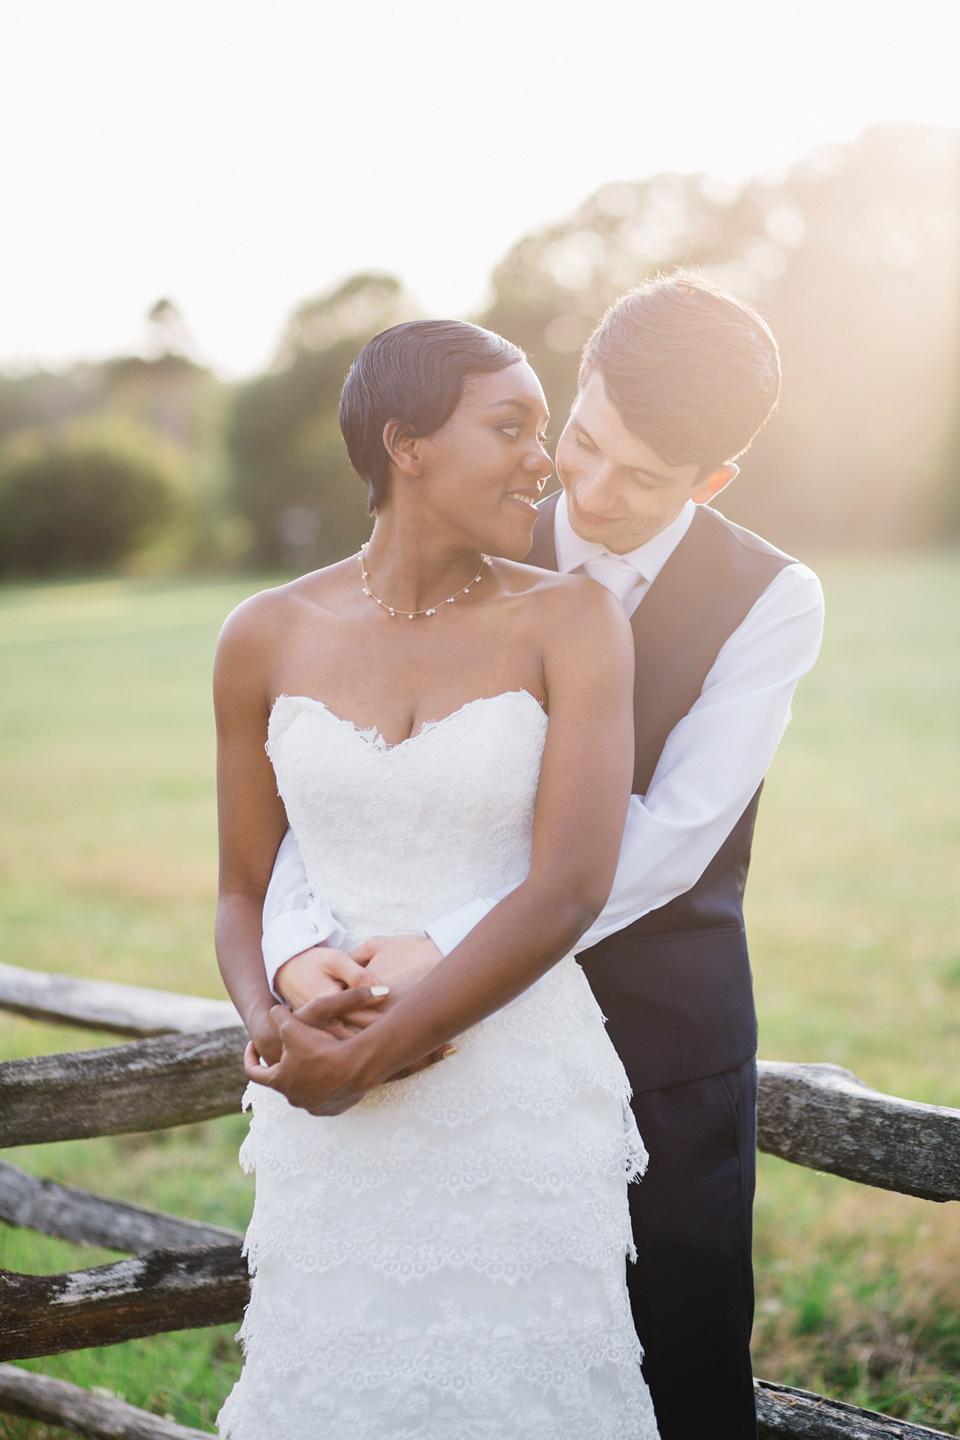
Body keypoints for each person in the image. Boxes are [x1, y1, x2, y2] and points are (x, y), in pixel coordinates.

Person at [259, 275, 825, 1440]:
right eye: (586, 442)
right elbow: (344, 774)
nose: (595, 492)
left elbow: (671, 836)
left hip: (655, 1021)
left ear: (711, 481)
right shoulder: (474, 531)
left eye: (648, 481)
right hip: (448, 1037)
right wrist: (305, 950)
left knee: (677, 1344)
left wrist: (452, 946)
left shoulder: (772, 599)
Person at [214, 318, 661, 1438]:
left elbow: (569, 886)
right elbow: (238, 888)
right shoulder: (262, 635)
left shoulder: (573, 620)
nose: (542, 459)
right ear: (404, 444)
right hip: (331, 1123)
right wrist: (282, 1026)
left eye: (541, 430)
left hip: (515, 1094)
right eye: (509, 426)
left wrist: (370, 1052)